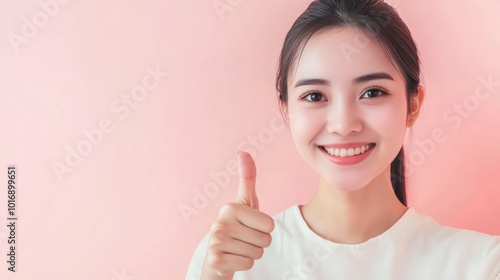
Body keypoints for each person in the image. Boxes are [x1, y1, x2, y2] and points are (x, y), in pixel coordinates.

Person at [186, 0, 500, 279]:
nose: (344, 124)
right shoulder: (230, 259)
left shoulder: (482, 264)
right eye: (314, 95)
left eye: (372, 92)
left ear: (412, 105)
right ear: (286, 110)